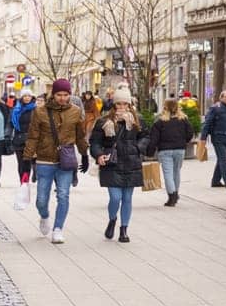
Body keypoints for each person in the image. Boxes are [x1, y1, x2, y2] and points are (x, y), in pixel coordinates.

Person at [28, 79, 88, 244]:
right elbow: (33, 136)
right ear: (53, 94)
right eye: (59, 94)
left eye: (66, 94)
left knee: (63, 195)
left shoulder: (75, 112)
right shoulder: (40, 111)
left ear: (70, 95)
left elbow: (80, 135)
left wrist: (84, 154)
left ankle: (58, 229)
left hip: (65, 160)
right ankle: (44, 215)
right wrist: (27, 157)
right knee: (41, 199)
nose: (62, 97)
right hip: (44, 159)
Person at [89, 88, 147, 243]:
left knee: (127, 198)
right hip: (112, 163)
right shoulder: (104, 121)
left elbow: (146, 137)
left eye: (125, 104)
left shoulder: (137, 120)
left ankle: (124, 230)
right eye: (118, 104)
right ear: (114, 104)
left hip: (131, 163)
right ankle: (112, 219)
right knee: (115, 197)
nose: (122, 107)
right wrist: (99, 155)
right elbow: (94, 142)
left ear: (129, 104)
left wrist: (137, 148)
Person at [147, 97, 194, 207]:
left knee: (168, 173)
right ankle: (175, 193)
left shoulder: (160, 121)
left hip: (165, 150)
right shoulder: (183, 119)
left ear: (165, 106)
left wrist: (150, 152)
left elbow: (154, 138)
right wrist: (183, 142)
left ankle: (172, 196)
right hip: (180, 149)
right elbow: (190, 133)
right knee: (176, 172)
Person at [201, 90, 226, 189]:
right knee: (224, 160)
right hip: (218, 137)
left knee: (221, 159)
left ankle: (215, 181)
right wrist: (203, 138)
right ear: (221, 98)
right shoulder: (215, 108)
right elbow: (207, 123)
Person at [10, 90, 39, 209]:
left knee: (27, 161)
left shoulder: (36, 109)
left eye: (29, 96)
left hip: (31, 140)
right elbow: (11, 123)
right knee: (20, 162)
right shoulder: (16, 109)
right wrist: (7, 136)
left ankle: (26, 181)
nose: (27, 98)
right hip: (18, 139)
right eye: (24, 96)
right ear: (21, 97)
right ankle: (22, 181)